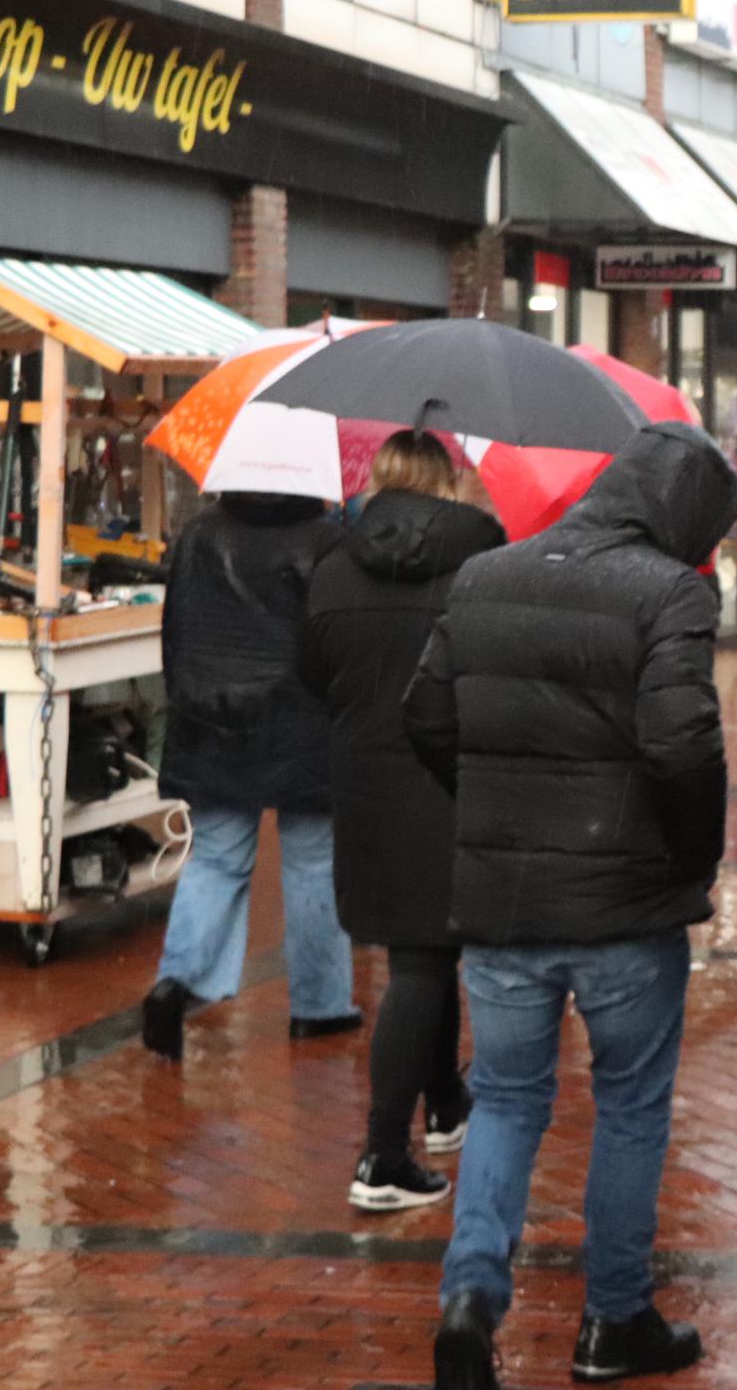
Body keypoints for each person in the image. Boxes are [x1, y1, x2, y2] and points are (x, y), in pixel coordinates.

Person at [412, 424, 737, 1390]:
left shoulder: (485, 576)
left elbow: (424, 715)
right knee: (630, 1108)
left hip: (504, 905)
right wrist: (690, 857)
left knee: (507, 1100)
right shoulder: (669, 591)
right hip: (625, 907)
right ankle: (615, 1319)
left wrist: (491, 806)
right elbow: (683, 744)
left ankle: (470, 1300)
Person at [299, 433, 507, 1213]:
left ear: (379, 480)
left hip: (363, 779)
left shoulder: (333, 566)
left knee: (422, 949)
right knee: (422, 962)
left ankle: (445, 1102)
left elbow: (312, 671)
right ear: (447, 481)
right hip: (449, 773)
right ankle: (383, 1155)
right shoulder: (481, 563)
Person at [144, 492, 356, 1061]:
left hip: (212, 721)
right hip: (303, 725)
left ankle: (176, 981)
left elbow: (174, 632)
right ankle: (320, 1006)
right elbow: (335, 643)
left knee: (216, 859)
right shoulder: (329, 543)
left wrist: (186, 701)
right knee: (313, 865)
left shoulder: (198, 536)